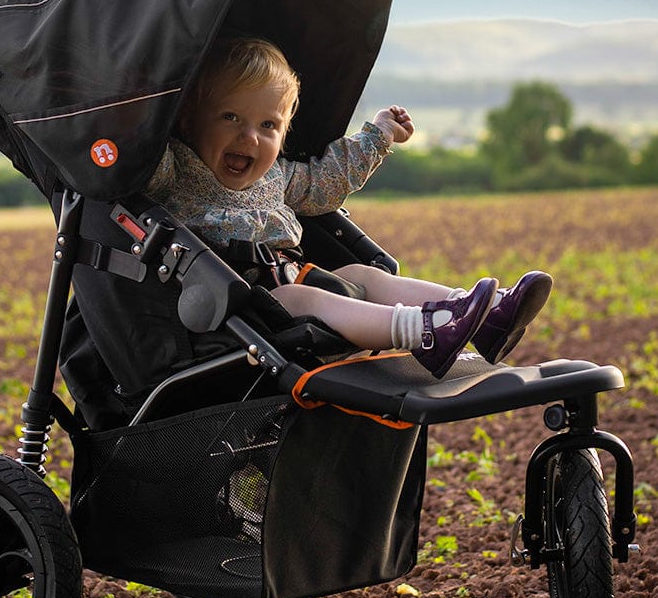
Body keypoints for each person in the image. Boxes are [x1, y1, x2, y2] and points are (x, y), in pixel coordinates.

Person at [145, 37, 551, 378]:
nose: (249, 137)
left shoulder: (277, 177)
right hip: (236, 310)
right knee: (304, 299)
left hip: (294, 279)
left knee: (361, 274)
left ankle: (485, 314)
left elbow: (327, 180)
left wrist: (378, 135)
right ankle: (424, 332)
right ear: (187, 121)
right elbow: (136, 153)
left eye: (268, 125)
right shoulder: (173, 169)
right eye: (230, 117)